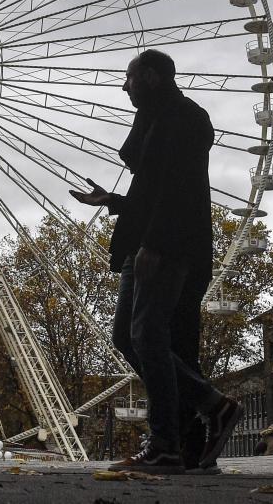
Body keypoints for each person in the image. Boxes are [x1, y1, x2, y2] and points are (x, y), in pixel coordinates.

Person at [71, 49, 242, 473]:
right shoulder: (156, 120)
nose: (123, 86)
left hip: (166, 247)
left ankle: (171, 440)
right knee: (131, 338)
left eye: (128, 77)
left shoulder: (182, 119)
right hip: (149, 241)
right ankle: (208, 407)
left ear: (149, 76)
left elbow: (177, 191)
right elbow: (154, 192)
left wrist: (156, 244)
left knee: (149, 335)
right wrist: (113, 201)